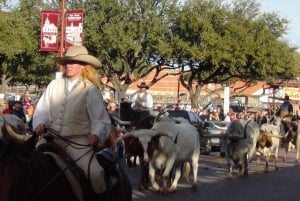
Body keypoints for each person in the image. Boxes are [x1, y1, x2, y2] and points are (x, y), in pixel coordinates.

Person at [32, 45, 111, 200]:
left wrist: (96, 134)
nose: (68, 65)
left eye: (73, 62)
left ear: (83, 65)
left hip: (77, 142)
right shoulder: (54, 84)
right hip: (51, 139)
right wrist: (40, 122)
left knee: (96, 173)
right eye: (67, 61)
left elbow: (100, 119)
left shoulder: (90, 89)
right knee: (26, 165)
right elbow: (42, 109)